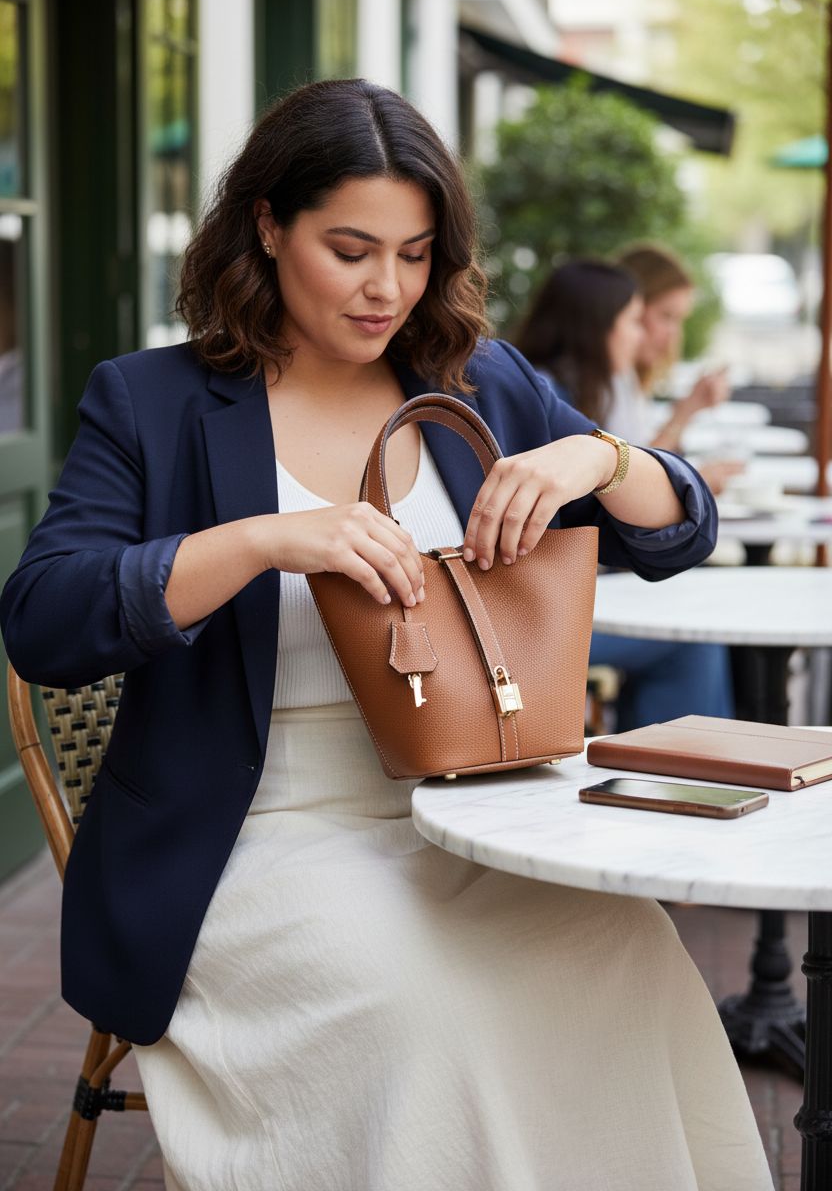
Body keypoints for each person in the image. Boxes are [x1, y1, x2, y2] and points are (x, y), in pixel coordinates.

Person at [0, 80, 772, 1191]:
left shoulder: (479, 384)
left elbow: (681, 530)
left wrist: (602, 458)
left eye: (414, 255)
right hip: (249, 835)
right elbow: (45, 618)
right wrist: (263, 539)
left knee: (631, 959)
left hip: (474, 815)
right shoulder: (151, 403)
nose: (386, 290)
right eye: (351, 249)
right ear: (267, 226)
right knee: (437, 1013)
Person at [514, 259, 735, 730]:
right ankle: (677, 777)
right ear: (596, 326)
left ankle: (664, 771)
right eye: (634, 321)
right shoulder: (546, 397)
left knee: (692, 629)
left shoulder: (578, 387)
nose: (640, 337)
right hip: (528, 619)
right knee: (691, 639)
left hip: (559, 600)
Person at [618, 242, 743, 495]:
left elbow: (636, 462)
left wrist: (690, 407)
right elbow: (630, 482)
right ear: (629, 308)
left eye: (678, 320)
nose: (673, 334)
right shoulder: (606, 382)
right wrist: (699, 480)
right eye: (666, 316)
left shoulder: (626, 380)